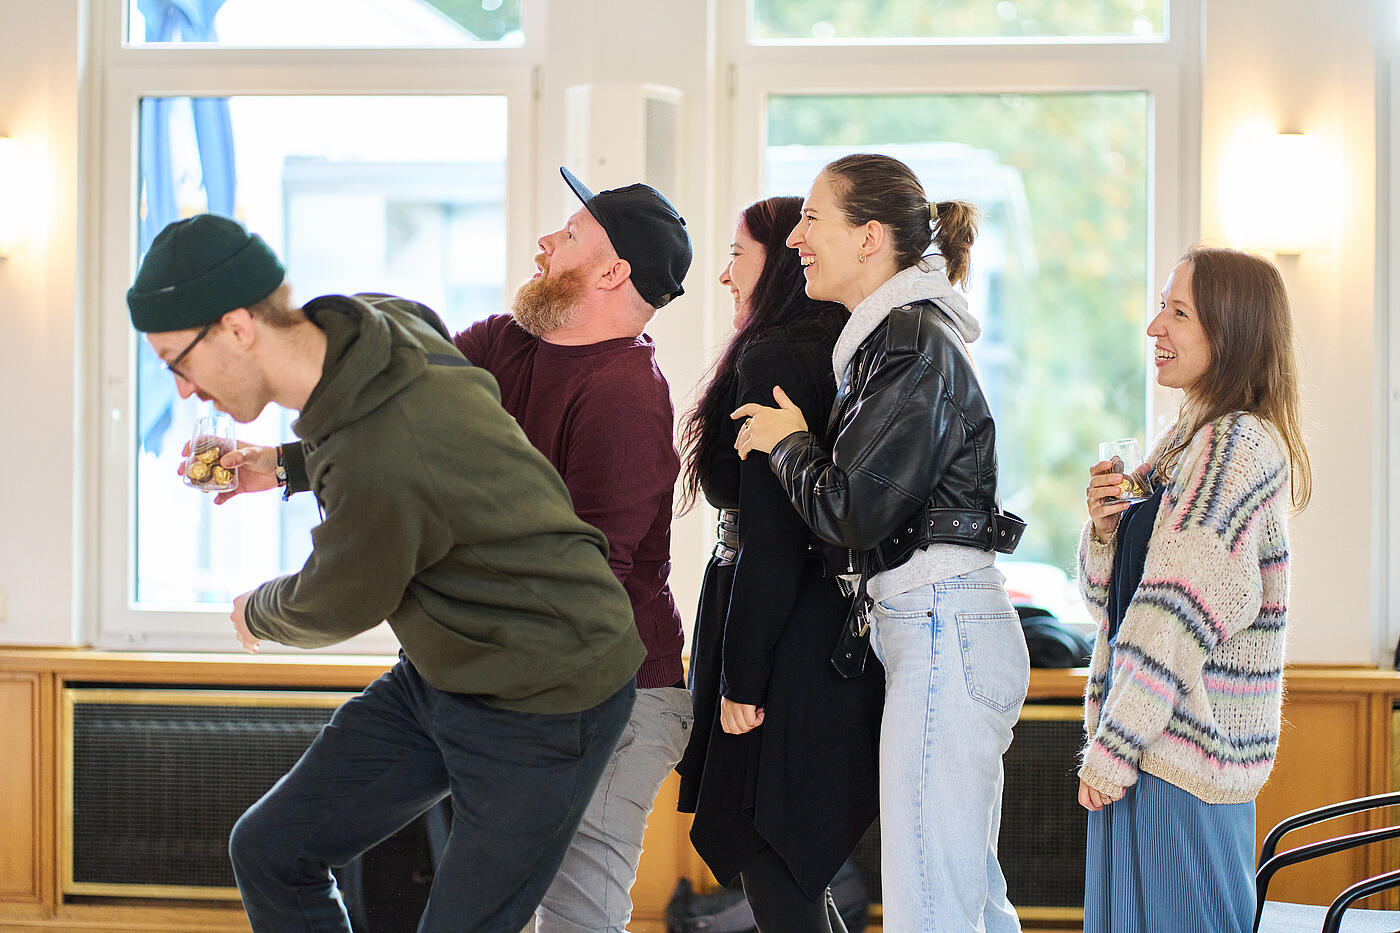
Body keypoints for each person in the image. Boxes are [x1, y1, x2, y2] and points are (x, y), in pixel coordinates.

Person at [127, 212, 644, 932]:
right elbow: (409, 436)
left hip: (549, 696)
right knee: (271, 849)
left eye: (175, 362)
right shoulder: (379, 322)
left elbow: (340, 597)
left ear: (237, 327)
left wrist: (258, 610)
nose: (182, 390)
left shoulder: (379, 456)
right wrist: (282, 465)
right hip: (444, 672)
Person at [733, 154, 1030, 933]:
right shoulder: (895, 339)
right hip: (941, 626)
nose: (794, 237)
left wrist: (788, 442)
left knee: (933, 908)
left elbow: (853, 511)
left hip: (941, 630)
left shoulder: (908, 341)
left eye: (811, 218)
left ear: (869, 238)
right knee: (967, 901)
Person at [1077, 246, 1312, 932]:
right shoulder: (1187, 438)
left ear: (1230, 332)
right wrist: (1105, 533)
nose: (1155, 326)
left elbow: (1173, 618)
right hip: (1148, 753)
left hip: (1176, 768)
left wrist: (1111, 751)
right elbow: (1115, 606)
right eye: (1162, 307)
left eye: (1178, 312)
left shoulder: (1234, 447)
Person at [674, 196, 883, 932]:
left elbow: (772, 539)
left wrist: (742, 679)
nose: (725, 274)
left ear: (783, 263)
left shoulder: (774, 358)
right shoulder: (830, 350)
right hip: (813, 631)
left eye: (738, 254)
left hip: (781, 641)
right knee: (789, 869)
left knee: (773, 862)